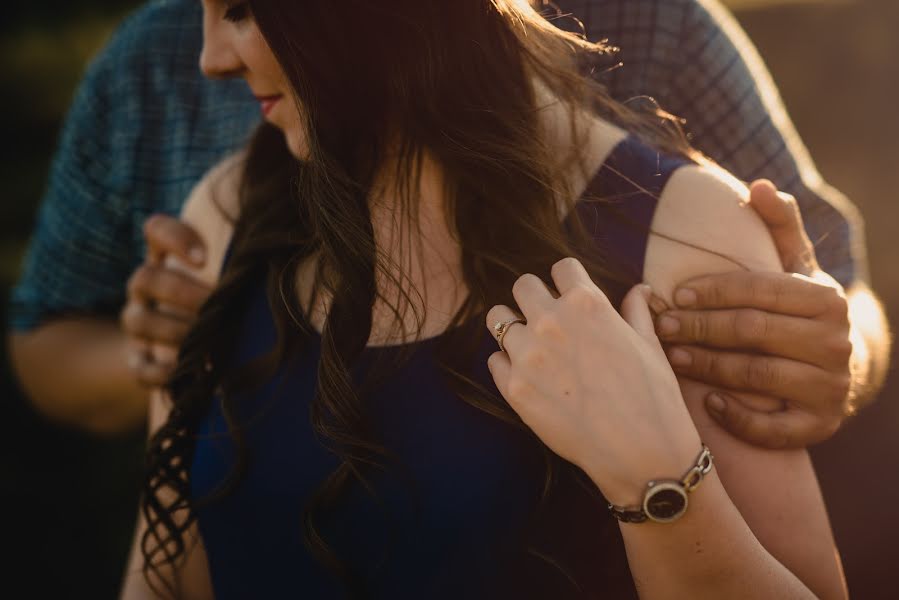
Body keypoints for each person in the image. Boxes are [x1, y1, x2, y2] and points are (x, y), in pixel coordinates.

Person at [119, 1, 847, 597]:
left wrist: (657, 478)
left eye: (242, 9)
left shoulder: (687, 235)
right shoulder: (222, 219)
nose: (211, 59)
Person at [7, 0, 890, 450]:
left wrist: (834, 355)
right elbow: (44, 340)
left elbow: (837, 280)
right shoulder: (147, 71)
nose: (213, 58)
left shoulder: (655, 25)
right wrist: (175, 358)